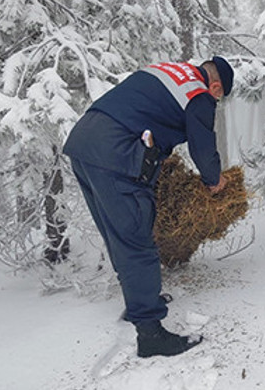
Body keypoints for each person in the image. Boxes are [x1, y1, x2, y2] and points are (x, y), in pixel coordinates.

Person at [63, 56, 234, 358]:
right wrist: (214, 179)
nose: (216, 101)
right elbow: (203, 146)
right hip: (116, 152)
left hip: (83, 142)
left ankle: (138, 302)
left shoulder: (169, 69)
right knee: (136, 236)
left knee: (115, 231)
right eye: (219, 96)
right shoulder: (199, 93)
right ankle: (150, 333)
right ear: (216, 86)